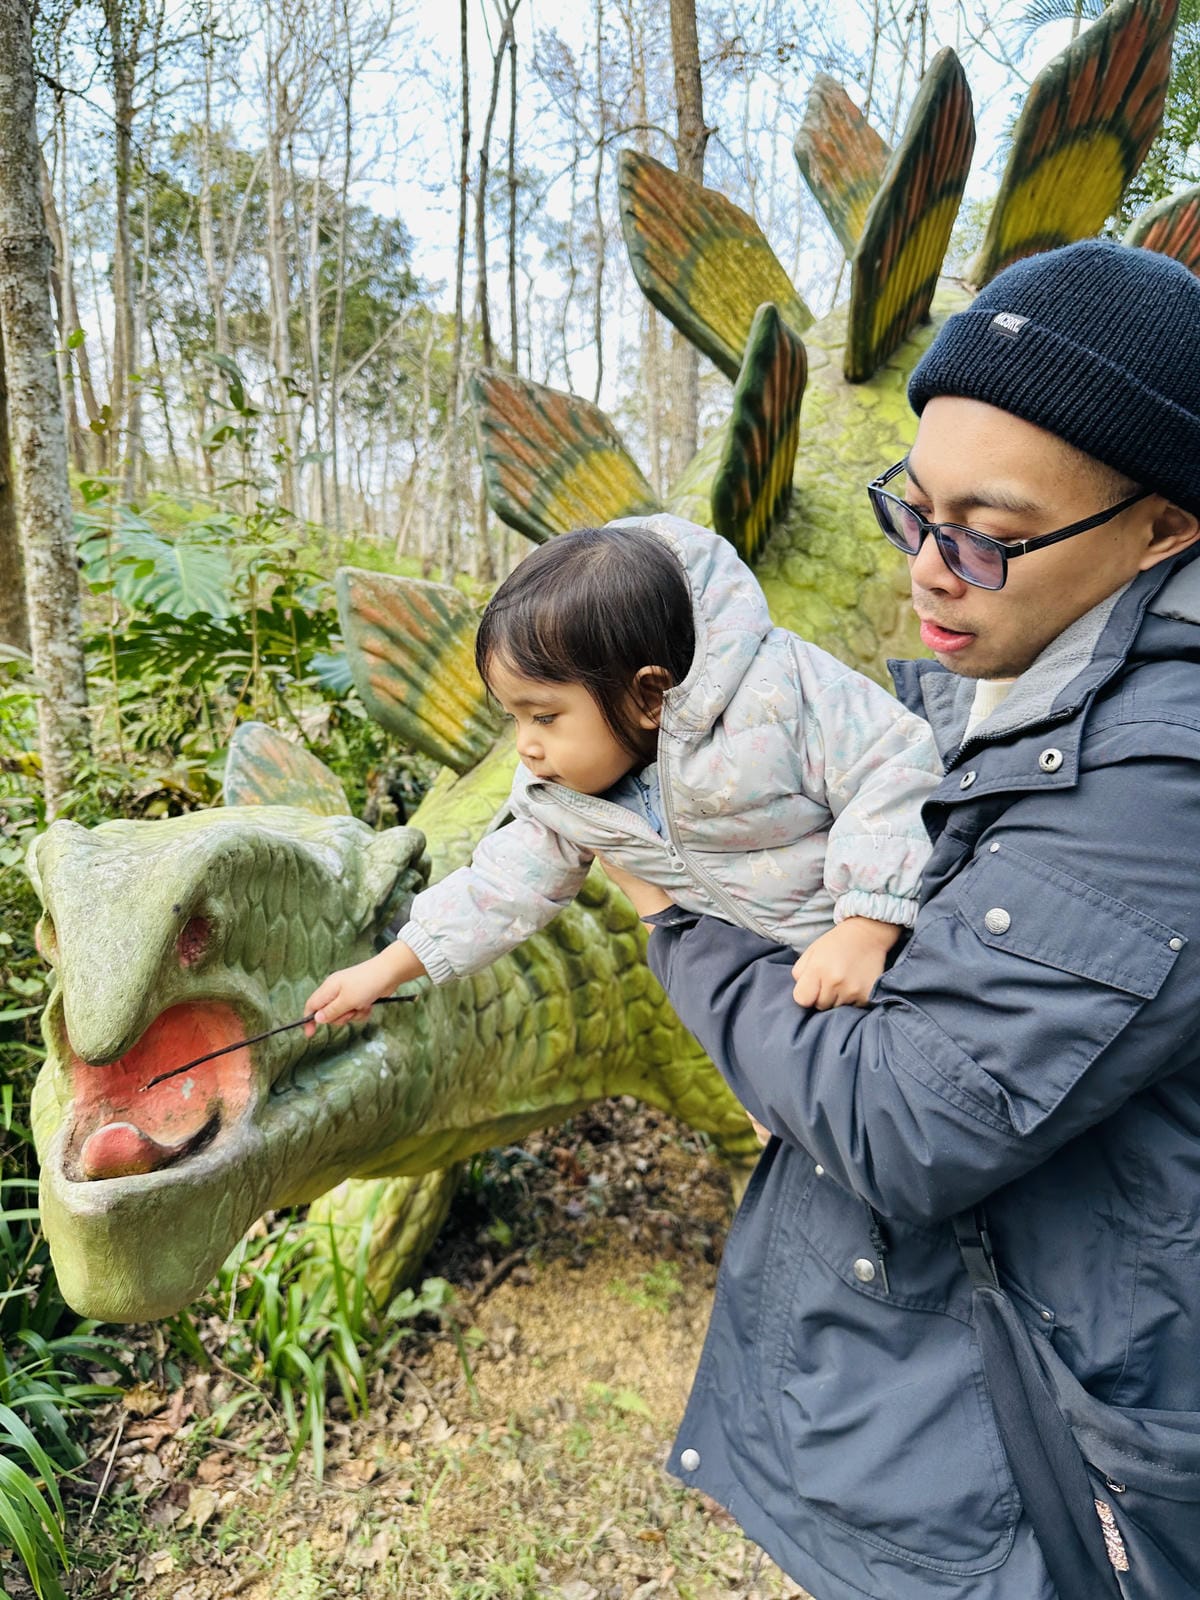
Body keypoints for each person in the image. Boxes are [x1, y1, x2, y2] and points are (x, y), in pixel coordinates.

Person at [606, 239, 1200, 1600]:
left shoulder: (1163, 780)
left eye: (989, 536)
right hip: (937, 1421)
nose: (932, 570)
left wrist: (676, 919)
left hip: (1050, 1470)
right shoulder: (1010, 685)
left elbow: (903, 1121)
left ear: (1165, 527)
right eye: (914, 512)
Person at [304, 515, 941, 1029]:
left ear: (649, 695)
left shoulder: (780, 691)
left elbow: (891, 765)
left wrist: (868, 925)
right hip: (777, 992)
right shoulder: (560, 796)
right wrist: (384, 970)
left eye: (544, 717)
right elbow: (499, 886)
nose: (525, 747)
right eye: (514, 720)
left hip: (905, 934)